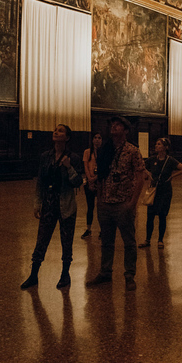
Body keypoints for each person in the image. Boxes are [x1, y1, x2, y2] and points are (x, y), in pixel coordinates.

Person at [21, 124, 84, 290]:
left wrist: (69, 167)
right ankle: (34, 275)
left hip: (66, 204)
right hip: (49, 202)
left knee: (66, 240)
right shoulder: (46, 156)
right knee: (42, 238)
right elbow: (40, 181)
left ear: (67, 137)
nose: (56, 132)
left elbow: (77, 182)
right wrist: (37, 202)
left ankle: (65, 274)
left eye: (61, 131)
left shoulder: (74, 157)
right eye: (55, 130)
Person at [86, 116, 145, 291]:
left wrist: (133, 203)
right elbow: (104, 173)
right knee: (106, 241)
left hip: (123, 203)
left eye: (118, 125)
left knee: (129, 241)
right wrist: (94, 185)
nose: (114, 127)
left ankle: (129, 275)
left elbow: (140, 176)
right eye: (112, 125)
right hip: (104, 202)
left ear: (126, 130)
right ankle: (105, 272)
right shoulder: (105, 149)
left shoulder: (132, 151)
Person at [139, 137, 182, 249]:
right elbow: (141, 166)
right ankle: (147, 240)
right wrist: (148, 175)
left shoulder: (170, 160)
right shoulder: (152, 159)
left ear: (165, 147)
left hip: (165, 191)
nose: (156, 146)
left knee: (162, 216)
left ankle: (160, 240)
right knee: (150, 216)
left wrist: (172, 176)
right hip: (154, 191)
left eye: (159, 144)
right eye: (156, 144)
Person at [81, 132, 103, 239]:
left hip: (100, 182)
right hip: (89, 182)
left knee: (100, 207)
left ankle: (102, 230)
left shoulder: (103, 152)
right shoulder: (87, 152)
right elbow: (85, 166)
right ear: (93, 139)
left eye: (99, 138)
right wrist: (90, 179)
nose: (97, 140)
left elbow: (104, 168)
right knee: (90, 207)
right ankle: (88, 229)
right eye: (95, 137)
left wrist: (95, 178)